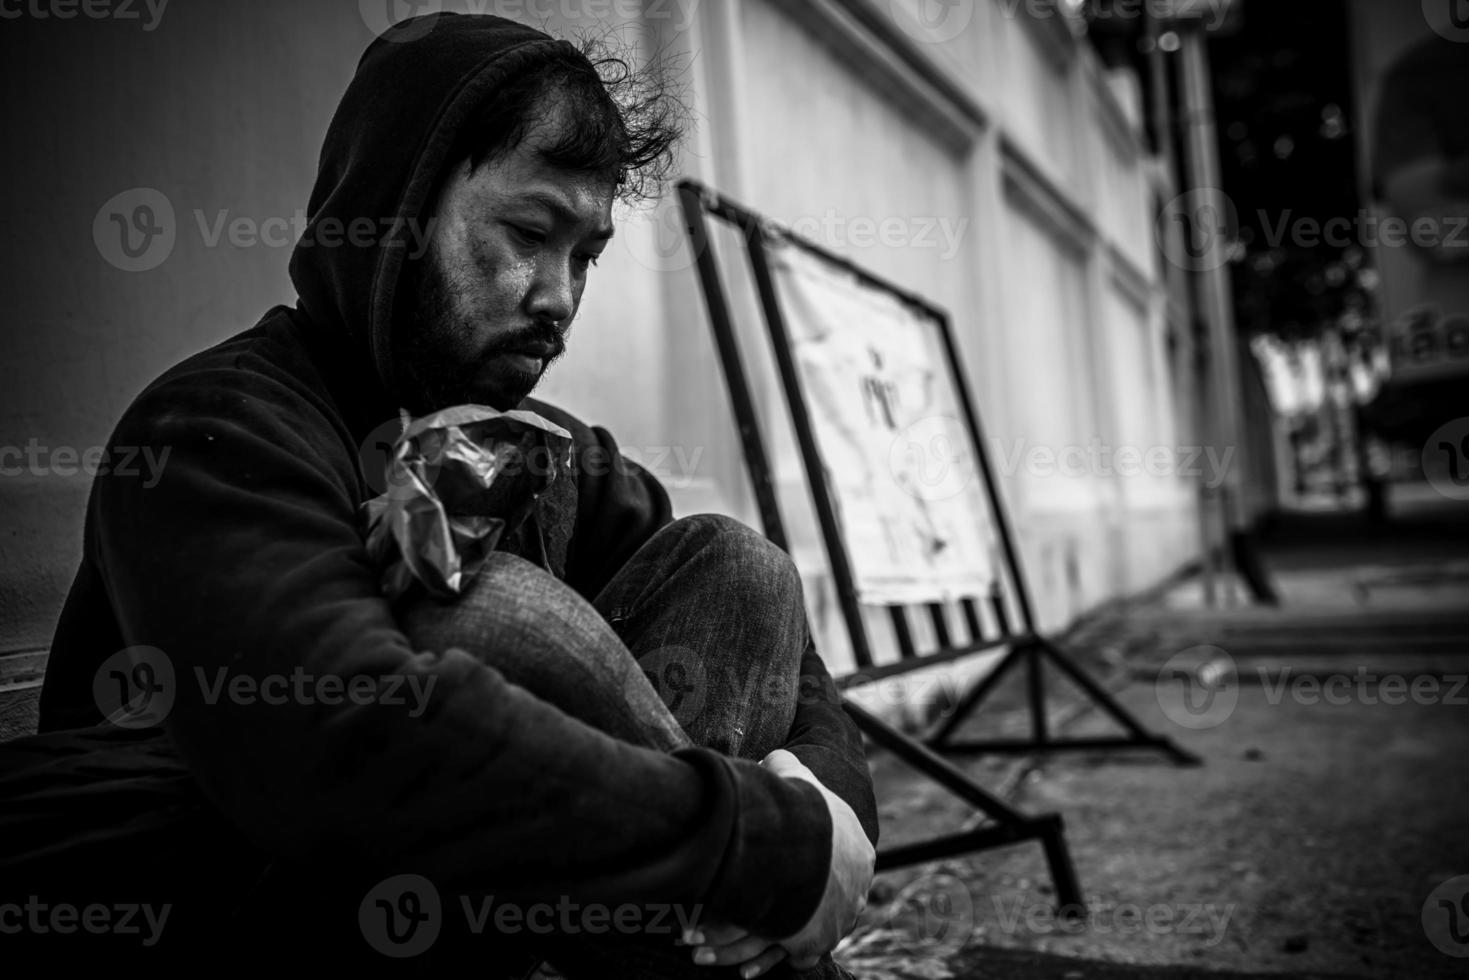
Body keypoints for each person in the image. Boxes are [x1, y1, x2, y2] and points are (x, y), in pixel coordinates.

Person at [14, 12, 877, 976]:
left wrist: (824, 808)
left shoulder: (542, 450)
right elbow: (340, 736)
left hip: (478, 909)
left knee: (738, 564)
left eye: (584, 255)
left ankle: (696, 948)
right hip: (232, 907)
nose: (557, 296)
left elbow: (792, 665)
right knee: (486, 617)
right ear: (396, 211)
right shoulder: (215, 425)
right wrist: (755, 846)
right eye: (526, 232)